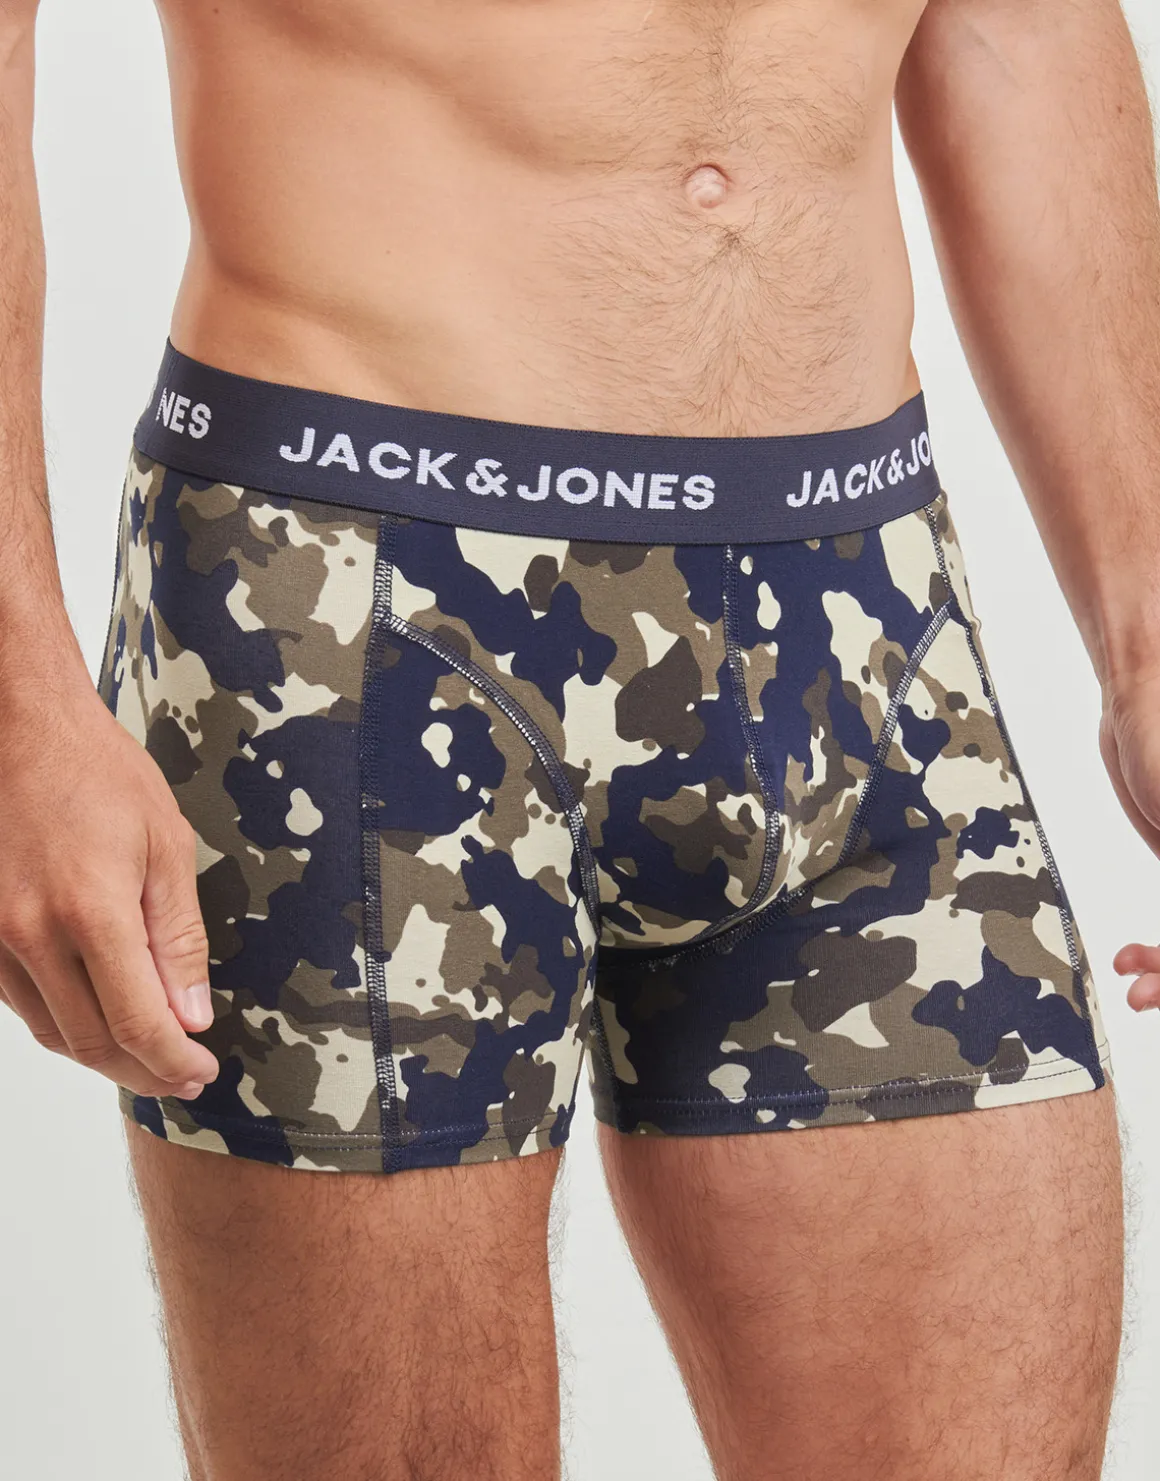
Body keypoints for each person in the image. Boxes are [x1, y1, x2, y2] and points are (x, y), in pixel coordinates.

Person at [0, 0, 1155, 1475]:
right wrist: (18, 702)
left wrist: (1146, 628)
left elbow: (1025, 27)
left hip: (866, 616)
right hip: (362, 613)